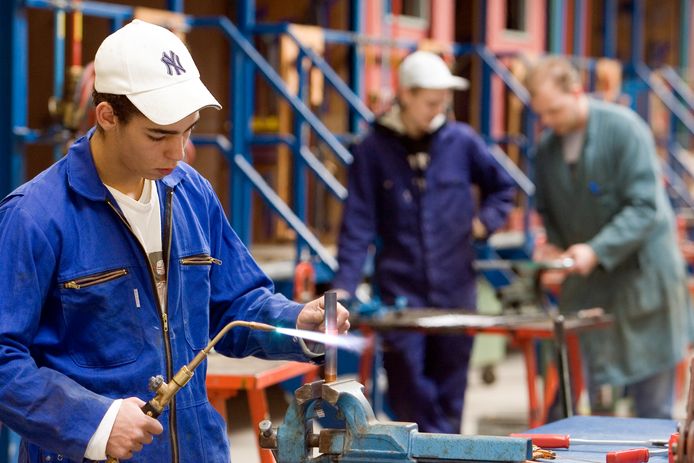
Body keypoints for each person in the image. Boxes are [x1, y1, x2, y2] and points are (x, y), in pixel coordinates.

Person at [0, 20, 349, 463]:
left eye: (187, 130)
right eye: (159, 135)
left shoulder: (191, 193)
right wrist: (96, 421)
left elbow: (233, 305)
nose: (178, 151)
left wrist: (298, 322)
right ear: (106, 116)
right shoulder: (36, 216)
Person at [333, 50, 516, 433]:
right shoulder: (373, 150)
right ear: (407, 95)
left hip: (456, 290)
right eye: (431, 101)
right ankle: (435, 450)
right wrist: (344, 289)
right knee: (409, 390)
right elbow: (358, 224)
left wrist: (485, 223)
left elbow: (503, 188)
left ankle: (446, 455)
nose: (439, 109)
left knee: (451, 394)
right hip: (401, 295)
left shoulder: (462, 142)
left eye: (444, 101)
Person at [526, 56, 693, 418]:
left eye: (554, 110)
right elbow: (549, 210)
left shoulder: (625, 130)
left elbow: (644, 206)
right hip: (589, 288)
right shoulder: (546, 151)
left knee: (652, 413)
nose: (549, 121)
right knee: (571, 408)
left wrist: (597, 250)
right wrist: (554, 249)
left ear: (576, 91)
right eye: (543, 114)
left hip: (643, 282)